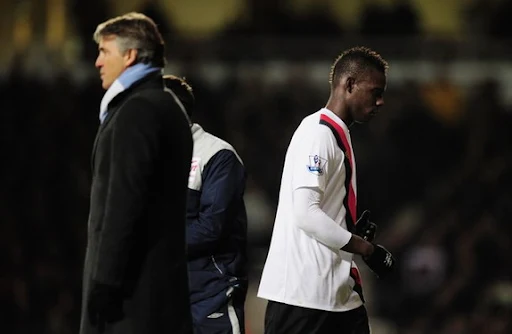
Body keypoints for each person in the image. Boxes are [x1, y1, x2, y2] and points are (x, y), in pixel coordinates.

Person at [257, 46, 396, 334]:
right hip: (304, 297)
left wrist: (348, 230)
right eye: (375, 92)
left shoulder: (335, 133)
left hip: (336, 294)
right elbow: (306, 214)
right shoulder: (318, 133)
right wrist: (366, 249)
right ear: (349, 85)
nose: (380, 101)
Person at [80, 13, 193, 334]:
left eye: (105, 52)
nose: (98, 62)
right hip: (159, 290)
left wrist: (105, 282)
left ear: (130, 55)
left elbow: (124, 204)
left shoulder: (137, 111)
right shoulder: (167, 105)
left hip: (131, 297)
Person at [163, 74, 249, 334]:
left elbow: (212, 227)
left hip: (212, 291)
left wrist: (157, 246)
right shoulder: (152, 159)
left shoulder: (217, 155)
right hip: (167, 291)